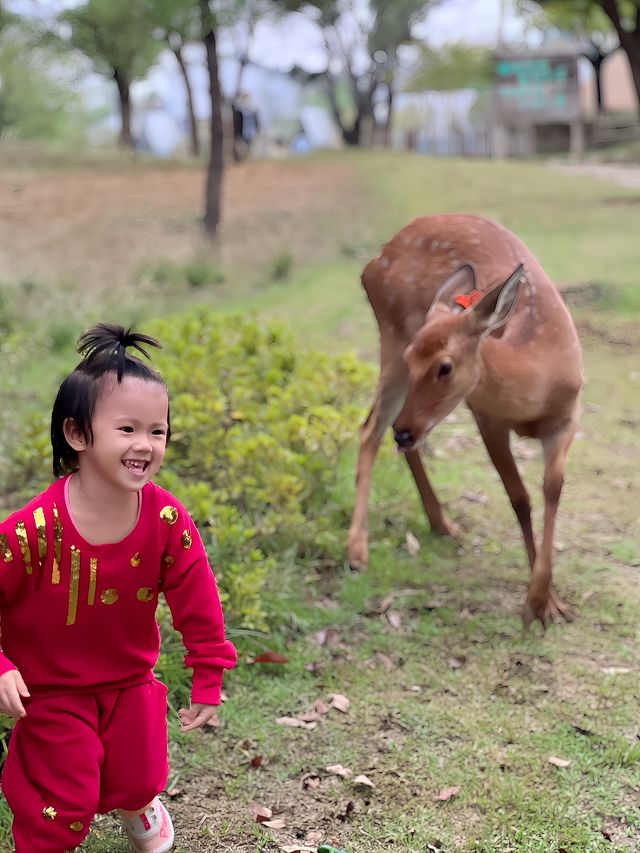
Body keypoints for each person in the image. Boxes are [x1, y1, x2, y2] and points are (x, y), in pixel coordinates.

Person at [0, 324, 237, 853]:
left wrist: (208, 670)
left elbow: (196, 597)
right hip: (52, 689)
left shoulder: (167, 519)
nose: (145, 445)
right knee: (62, 797)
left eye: (158, 431)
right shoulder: (32, 529)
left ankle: (138, 804)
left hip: (131, 680)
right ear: (78, 435)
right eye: (127, 428)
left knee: (138, 773)